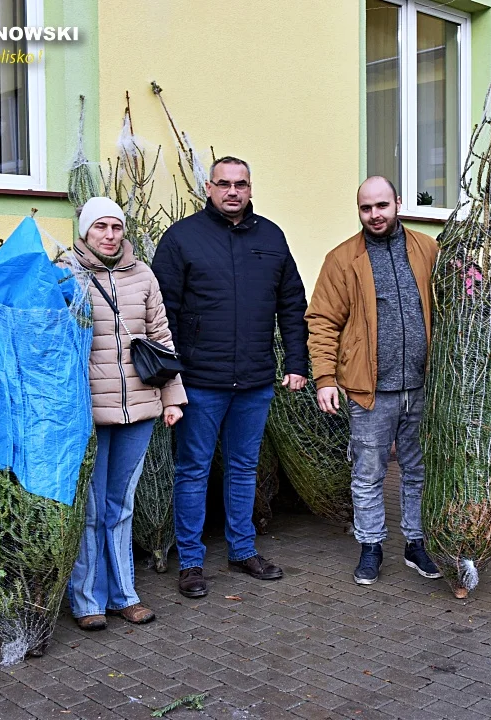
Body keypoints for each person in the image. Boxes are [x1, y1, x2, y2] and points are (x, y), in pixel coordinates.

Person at [152, 156, 309, 599]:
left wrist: (296, 363)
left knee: (243, 469)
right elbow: (162, 314)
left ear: (251, 188)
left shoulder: (271, 238)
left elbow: (292, 305)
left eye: (240, 184)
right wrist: (171, 381)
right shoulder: (182, 239)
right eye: (224, 184)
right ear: (209, 187)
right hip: (199, 382)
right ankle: (191, 562)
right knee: (193, 470)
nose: (232, 191)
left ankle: (242, 550)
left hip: (256, 381)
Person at [306, 176, 442, 585]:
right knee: (368, 473)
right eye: (366, 208)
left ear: (397, 203)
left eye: (382, 206)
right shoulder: (342, 259)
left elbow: (451, 303)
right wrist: (325, 378)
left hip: (422, 386)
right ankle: (370, 546)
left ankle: (416, 543)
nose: (374, 215)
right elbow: (322, 322)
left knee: (419, 470)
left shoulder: (426, 249)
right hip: (369, 390)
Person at [68, 197, 187, 630]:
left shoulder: (143, 276)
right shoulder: (67, 275)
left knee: (121, 506)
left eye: (116, 227)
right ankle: (86, 600)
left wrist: (172, 398)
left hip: (139, 407)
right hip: (88, 413)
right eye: (100, 227)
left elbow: (161, 338)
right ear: (85, 232)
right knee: (92, 509)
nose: (110, 235)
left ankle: (125, 595)